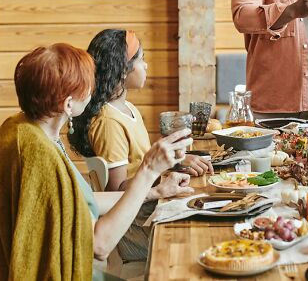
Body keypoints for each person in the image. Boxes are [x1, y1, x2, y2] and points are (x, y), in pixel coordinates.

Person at [0, 44, 192, 280]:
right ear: (68, 105)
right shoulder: (40, 154)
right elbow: (100, 245)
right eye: (88, 85)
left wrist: (155, 191)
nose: (93, 90)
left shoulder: (21, 129)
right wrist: (149, 171)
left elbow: (80, 201)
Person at [69, 29, 208, 266]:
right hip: (135, 227)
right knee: (202, 234)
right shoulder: (108, 122)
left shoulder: (128, 110)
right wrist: (164, 171)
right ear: (123, 70)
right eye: (141, 59)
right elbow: (118, 189)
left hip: (148, 210)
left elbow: (141, 163)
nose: (146, 66)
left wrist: (177, 162)